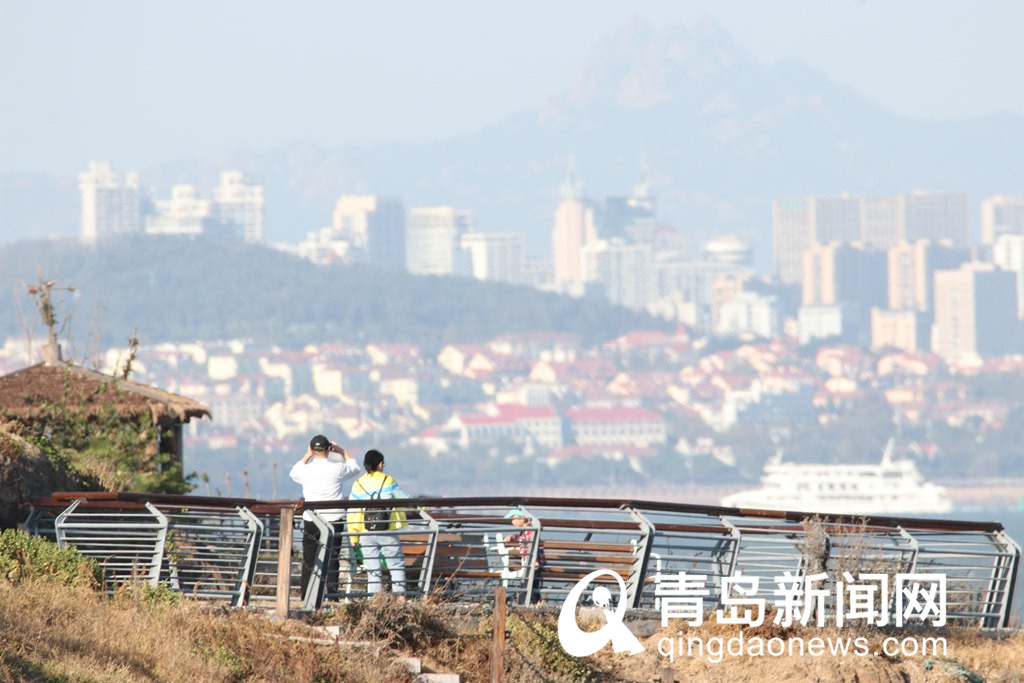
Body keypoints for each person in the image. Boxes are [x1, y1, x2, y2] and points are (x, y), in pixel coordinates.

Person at [289, 434, 361, 599]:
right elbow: (355, 467)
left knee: (309, 559)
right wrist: (342, 451)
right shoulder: (337, 468)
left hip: (311, 518)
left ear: (312, 450)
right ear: (329, 450)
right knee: (332, 557)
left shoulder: (305, 470)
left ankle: (306, 595)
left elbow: (294, 472)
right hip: (334, 519)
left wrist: (307, 454)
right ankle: (333, 594)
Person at [347, 449, 409, 597]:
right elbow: (404, 498)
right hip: (387, 528)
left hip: (366, 531)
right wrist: (422, 507)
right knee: (396, 565)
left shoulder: (358, 484)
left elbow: (352, 513)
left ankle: (374, 601)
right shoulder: (387, 480)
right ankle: (400, 598)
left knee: (372, 569)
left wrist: (353, 537)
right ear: (380, 464)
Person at [505, 507, 544, 603]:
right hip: (530, 562)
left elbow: (532, 545)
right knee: (532, 582)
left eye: (513, 519)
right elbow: (521, 539)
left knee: (531, 582)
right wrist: (513, 537)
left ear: (522, 518)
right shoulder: (526, 530)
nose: (512, 522)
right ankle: (537, 601)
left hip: (534, 562)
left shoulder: (530, 530)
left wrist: (534, 560)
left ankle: (533, 601)